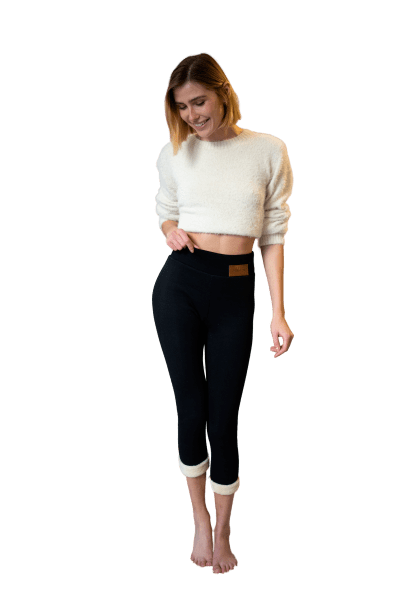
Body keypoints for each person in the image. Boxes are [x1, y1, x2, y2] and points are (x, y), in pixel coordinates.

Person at [152, 52, 294, 575]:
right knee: (190, 409)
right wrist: (170, 229)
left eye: (199, 101)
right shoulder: (173, 153)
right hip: (180, 284)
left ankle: (225, 528)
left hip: (236, 289)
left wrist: (279, 312)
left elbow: (273, 233)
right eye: (182, 106)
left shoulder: (269, 149)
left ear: (223, 92)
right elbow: (166, 210)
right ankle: (199, 520)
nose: (192, 115)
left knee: (224, 415)